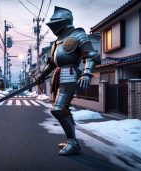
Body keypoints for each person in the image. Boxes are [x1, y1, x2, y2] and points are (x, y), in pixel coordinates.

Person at [36, 6, 101, 156]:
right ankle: (71, 140)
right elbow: (52, 63)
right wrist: (42, 75)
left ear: (64, 21)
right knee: (63, 109)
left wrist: (86, 73)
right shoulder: (57, 42)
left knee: (58, 109)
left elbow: (91, 55)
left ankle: (73, 142)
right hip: (59, 76)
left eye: (56, 21)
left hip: (70, 74)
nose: (53, 24)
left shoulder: (78, 35)